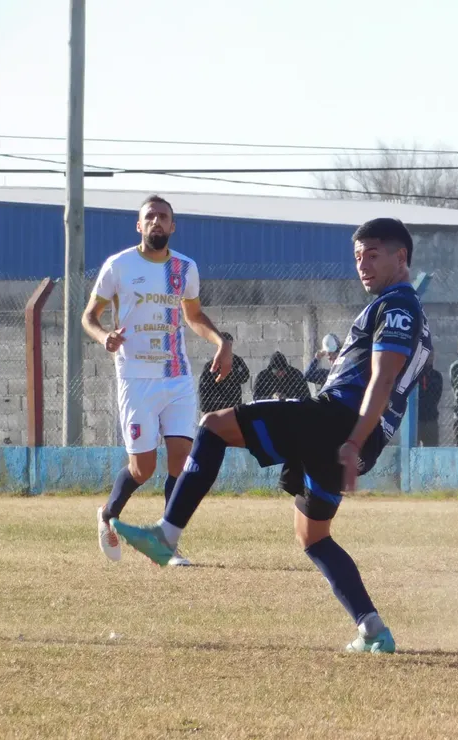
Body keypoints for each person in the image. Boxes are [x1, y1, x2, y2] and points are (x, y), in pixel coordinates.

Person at [111, 218, 432, 654]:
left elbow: (382, 378)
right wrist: (359, 445)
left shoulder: (396, 306)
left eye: (373, 254)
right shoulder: (408, 311)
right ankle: (373, 629)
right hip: (357, 440)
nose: (363, 264)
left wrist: (352, 439)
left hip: (336, 423)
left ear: (402, 257)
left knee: (213, 425)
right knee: (313, 536)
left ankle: (167, 534)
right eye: (358, 256)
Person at [82, 194, 232, 567]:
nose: (157, 222)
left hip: (176, 376)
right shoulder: (118, 265)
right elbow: (89, 316)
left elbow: (193, 315)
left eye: (163, 217)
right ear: (139, 225)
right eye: (150, 217)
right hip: (135, 377)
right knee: (143, 468)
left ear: (173, 225)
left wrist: (220, 341)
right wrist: (105, 338)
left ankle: (167, 541)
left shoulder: (185, 268)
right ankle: (107, 514)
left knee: (181, 462)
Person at [199, 332, 250, 414]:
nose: (228, 347)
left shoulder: (237, 361)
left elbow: (245, 376)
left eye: (230, 344)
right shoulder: (210, 365)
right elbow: (204, 387)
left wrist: (233, 374)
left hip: (233, 402)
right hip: (216, 405)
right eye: (226, 344)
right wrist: (205, 408)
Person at [417, 351, 444, 447]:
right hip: (416, 419)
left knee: (431, 448)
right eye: (426, 355)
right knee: (412, 447)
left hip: (431, 419)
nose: (429, 358)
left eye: (431, 355)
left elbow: (437, 395)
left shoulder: (436, 375)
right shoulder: (415, 375)